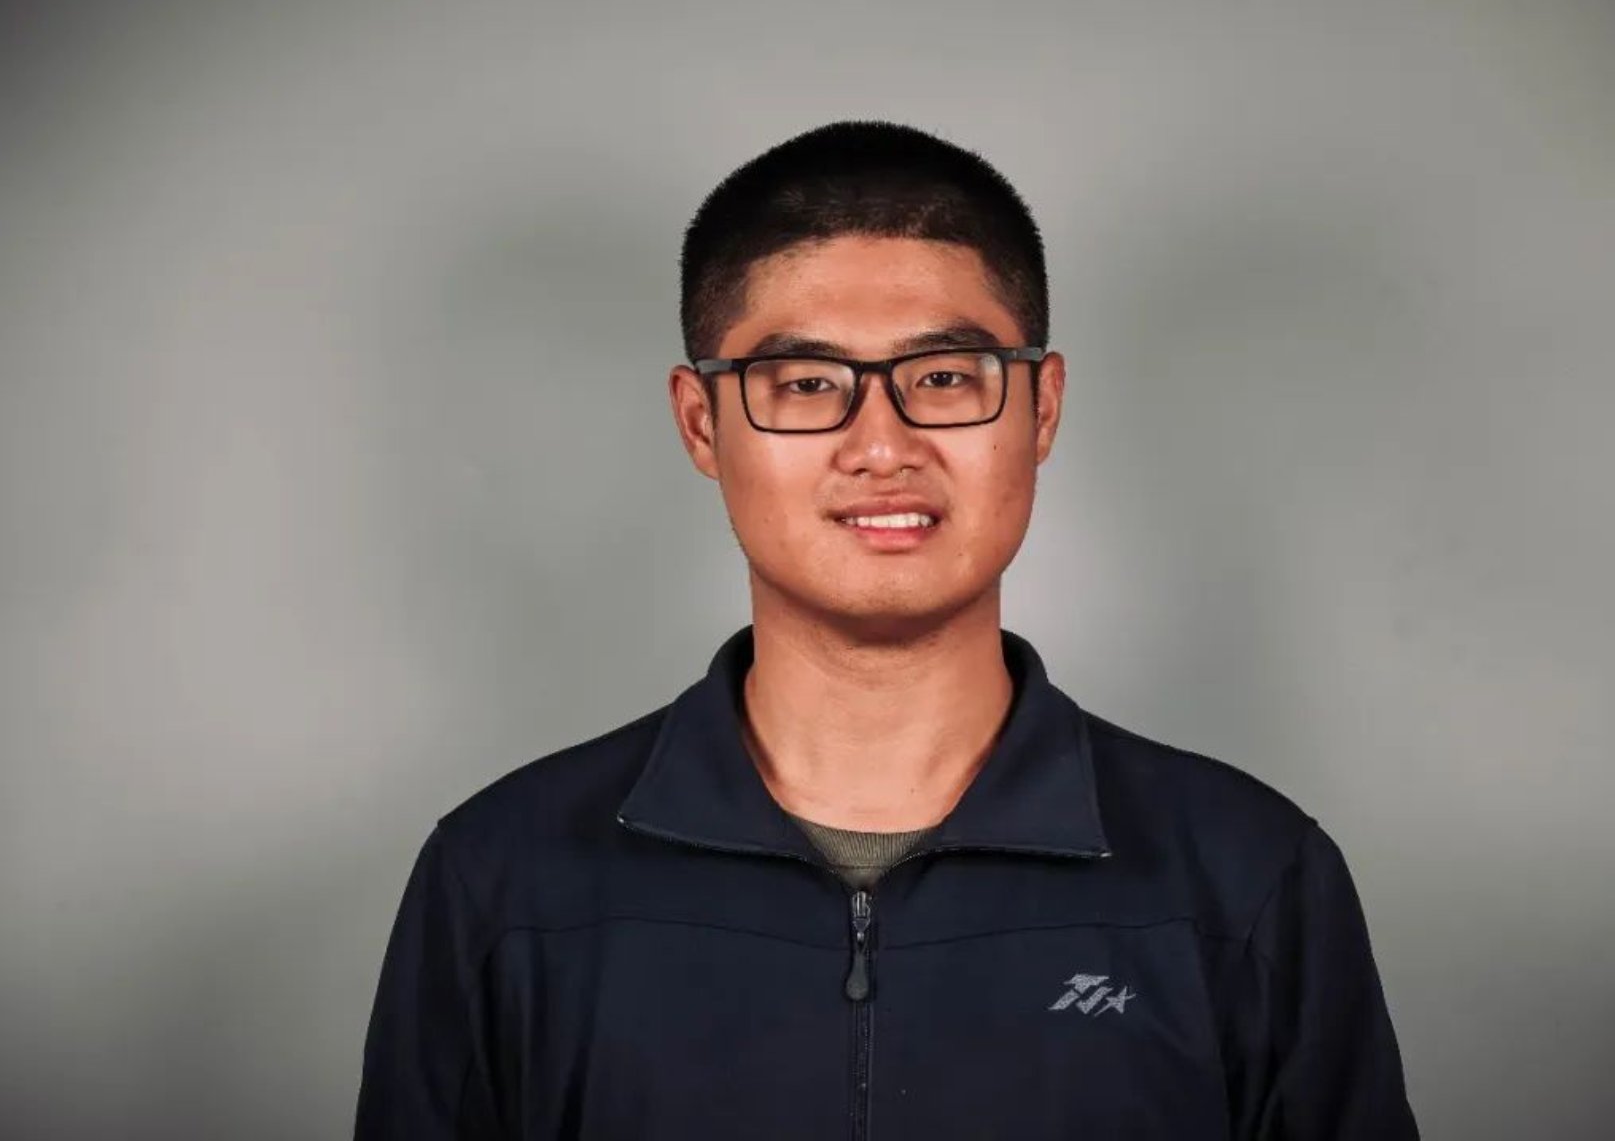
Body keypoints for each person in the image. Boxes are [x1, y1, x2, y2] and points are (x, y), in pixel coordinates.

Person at [354, 119, 1418, 1140]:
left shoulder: (1245, 879)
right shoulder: (504, 884)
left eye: (943, 378)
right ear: (700, 422)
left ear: (1041, 408)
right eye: (807, 383)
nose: (881, 444)